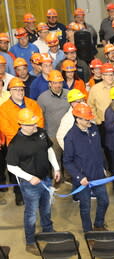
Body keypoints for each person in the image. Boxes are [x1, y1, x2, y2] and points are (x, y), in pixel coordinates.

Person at [6, 108, 60, 255]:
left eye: (35, 123)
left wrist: (56, 168)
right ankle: (30, 242)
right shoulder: (16, 144)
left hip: (46, 179)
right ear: (21, 124)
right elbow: (11, 166)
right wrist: (30, 177)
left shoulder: (41, 132)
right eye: (31, 124)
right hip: (30, 185)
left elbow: (49, 150)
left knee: (46, 208)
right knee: (31, 214)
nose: (35, 126)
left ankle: (48, 231)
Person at [63, 103, 110, 232]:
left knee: (104, 201)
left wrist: (104, 167)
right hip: (83, 179)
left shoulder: (94, 129)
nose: (90, 120)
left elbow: (99, 150)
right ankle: (88, 232)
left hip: (98, 175)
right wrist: (79, 177)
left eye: (90, 118)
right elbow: (67, 161)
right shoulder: (70, 137)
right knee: (85, 207)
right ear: (78, 119)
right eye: (86, 119)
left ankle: (99, 224)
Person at [0, 78, 44, 206]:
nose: (19, 92)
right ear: (10, 91)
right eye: (16, 89)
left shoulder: (32, 104)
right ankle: (19, 195)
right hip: (14, 146)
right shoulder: (3, 108)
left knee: (34, 169)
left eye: (21, 89)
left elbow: (39, 120)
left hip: (33, 143)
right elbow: (5, 128)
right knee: (16, 173)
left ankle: (36, 192)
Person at [37, 70, 70, 172]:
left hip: (69, 133)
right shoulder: (42, 98)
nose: (57, 85)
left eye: (60, 82)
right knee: (55, 160)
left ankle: (70, 179)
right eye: (55, 83)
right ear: (49, 83)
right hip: (52, 135)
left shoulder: (69, 94)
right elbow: (40, 117)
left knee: (70, 158)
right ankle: (58, 182)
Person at [87, 63, 114, 139]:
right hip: (103, 124)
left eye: (112, 74)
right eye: (107, 75)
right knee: (108, 147)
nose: (110, 77)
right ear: (102, 76)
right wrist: (97, 120)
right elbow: (90, 106)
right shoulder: (95, 89)